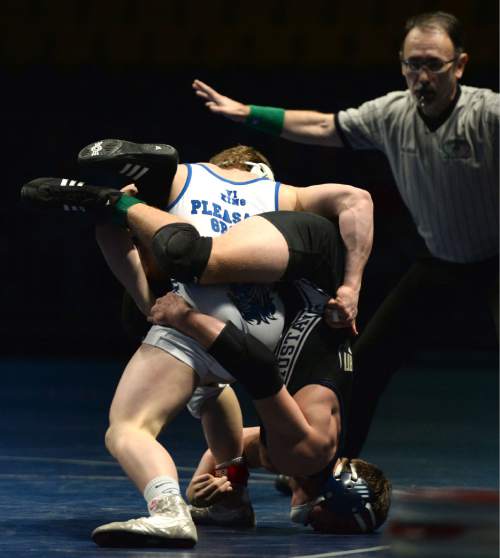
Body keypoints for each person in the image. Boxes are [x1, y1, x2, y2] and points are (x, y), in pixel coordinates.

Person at [21, 141, 375, 544]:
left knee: (134, 419)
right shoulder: (284, 195)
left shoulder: (183, 177)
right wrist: (351, 288)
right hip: (262, 319)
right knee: (192, 394)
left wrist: (154, 300)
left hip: (200, 306)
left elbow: (110, 238)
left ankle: (118, 212)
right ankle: (206, 505)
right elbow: (356, 199)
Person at [191, 10, 499, 456]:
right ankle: (329, 465)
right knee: (367, 361)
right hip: (441, 262)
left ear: (461, 65)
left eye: (434, 64)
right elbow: (321, 126)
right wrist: (246, 113)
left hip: (494, 261)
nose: (422, 75)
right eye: (413, 63)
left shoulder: (486, 114)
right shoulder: (390, 115)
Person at [148, 288, 391, 534]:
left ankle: (234, 503)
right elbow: (257, 368)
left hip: (304, 294)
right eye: (339, 526)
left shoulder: (317, 450)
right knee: (149, 303)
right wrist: (184, 318)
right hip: (294, 287)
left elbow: (235, 444)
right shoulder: (302, 455)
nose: (322, 529)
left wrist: (226, 479)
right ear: (339, 496)